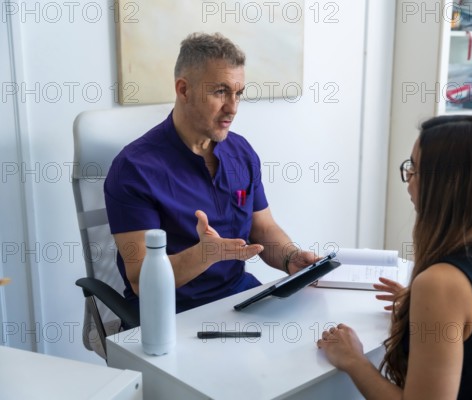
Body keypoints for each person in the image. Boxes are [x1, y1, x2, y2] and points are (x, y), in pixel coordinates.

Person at [317, 115, 472, 399]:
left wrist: (354, 360)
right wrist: (429, 312)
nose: (408, 181)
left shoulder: (440, 284)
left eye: (414, 168)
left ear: (446, 186)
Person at [105, 32, 317, 313]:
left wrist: (291, 258)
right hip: (172, 311)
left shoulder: (241, 153)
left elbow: (263, 227)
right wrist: (205, 255)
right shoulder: (133, 169)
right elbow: (141, 280)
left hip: (238, 297)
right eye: (220, 92)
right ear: (183, 90)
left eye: (238, 93)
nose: (233, 108)